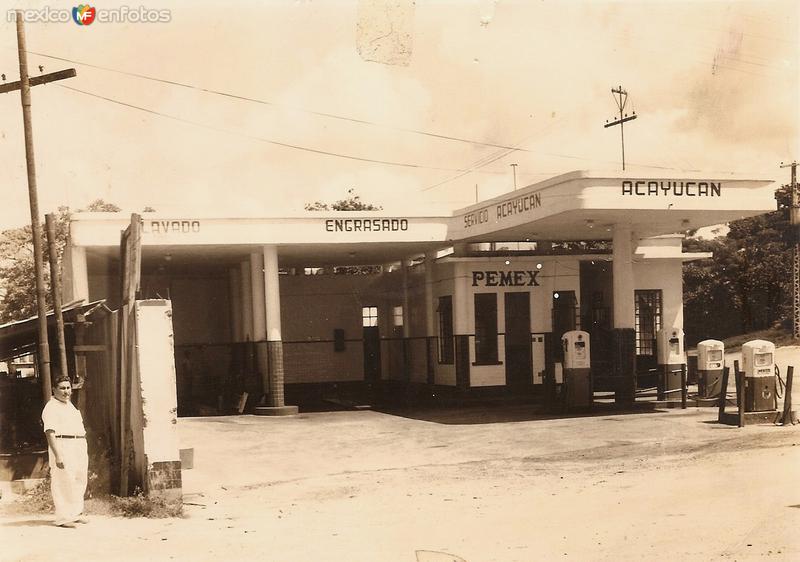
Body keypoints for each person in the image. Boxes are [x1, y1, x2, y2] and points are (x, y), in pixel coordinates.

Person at [41, 376, 88, 528]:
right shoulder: (51, 407)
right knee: (63, 480)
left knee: (79, 479)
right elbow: (50, 432)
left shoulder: (70, 406)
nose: (66, 391)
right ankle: (63, 518)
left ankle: (75, 513)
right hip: (63, 444)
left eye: (68, 388)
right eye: (62, 388)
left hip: (78, 444)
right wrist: (58, 455)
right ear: (54, 390)